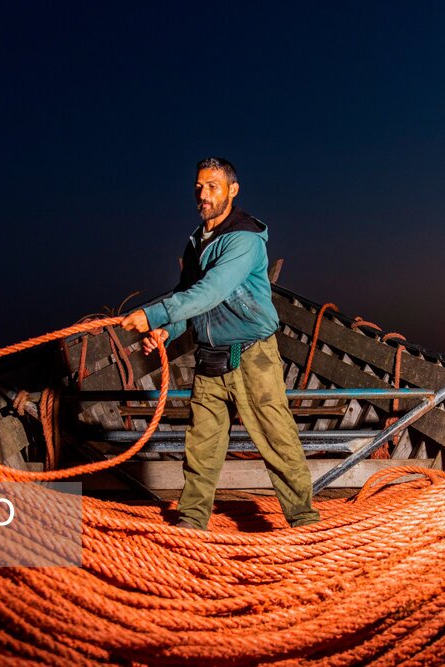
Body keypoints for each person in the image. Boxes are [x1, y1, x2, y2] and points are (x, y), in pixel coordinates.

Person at [120, 157, 319, 531]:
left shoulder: (245, 240)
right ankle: (192, 521)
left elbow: (211, 291)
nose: (203, 194)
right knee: (201, 446)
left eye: (213, 186)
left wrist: (152, 315)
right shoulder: (196, 242)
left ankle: (304, 521)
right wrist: (168, 330)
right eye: (199, 186)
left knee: (278, 440)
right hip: (209, 360)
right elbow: (189, 296)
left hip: (253, 357)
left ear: (233, 190)